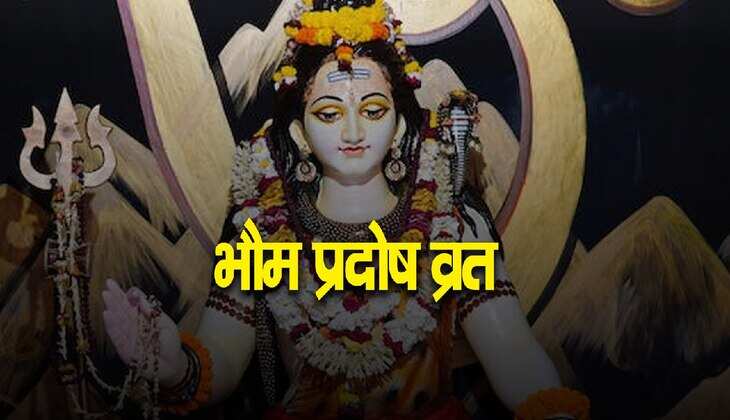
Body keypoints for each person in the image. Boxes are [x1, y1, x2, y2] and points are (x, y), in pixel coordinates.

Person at [102, 0, 590, 418]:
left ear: (400, 124)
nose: (353, 132)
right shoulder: (263, 227)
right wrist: (175, 367)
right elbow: (224, 356)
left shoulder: (452, 222)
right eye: (329, 113)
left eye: (373, 111)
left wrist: (550, 408)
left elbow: (512, 352)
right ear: (299, 130)